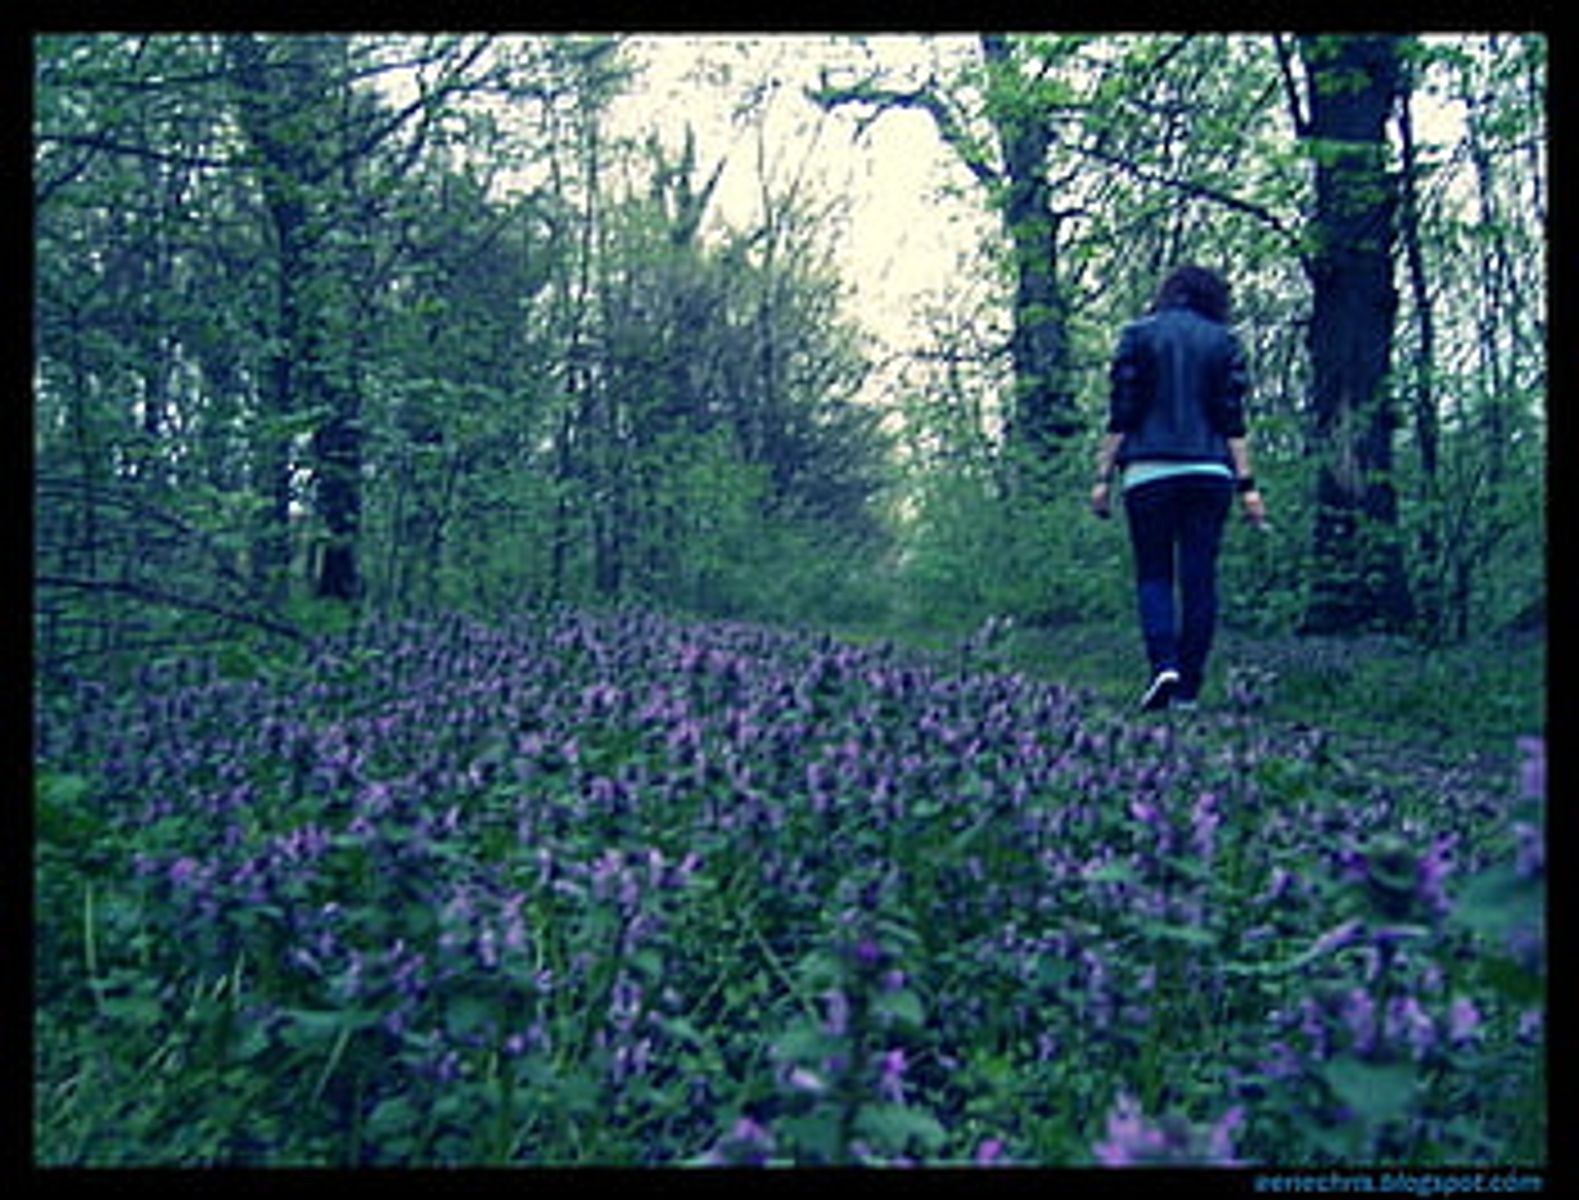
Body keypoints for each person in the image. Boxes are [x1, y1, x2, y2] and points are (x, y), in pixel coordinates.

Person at [1090, 265, 1267, 712]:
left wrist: (1103, 476)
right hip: (1210, 472)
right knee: (1199, 577)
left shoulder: (1137, 335)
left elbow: (1123, 412)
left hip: (1148, 471)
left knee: (1154, 573)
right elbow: (1231, 419)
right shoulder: (1223, 342)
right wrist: (1248, 486)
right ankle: (1189, 688)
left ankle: (1163, 665)